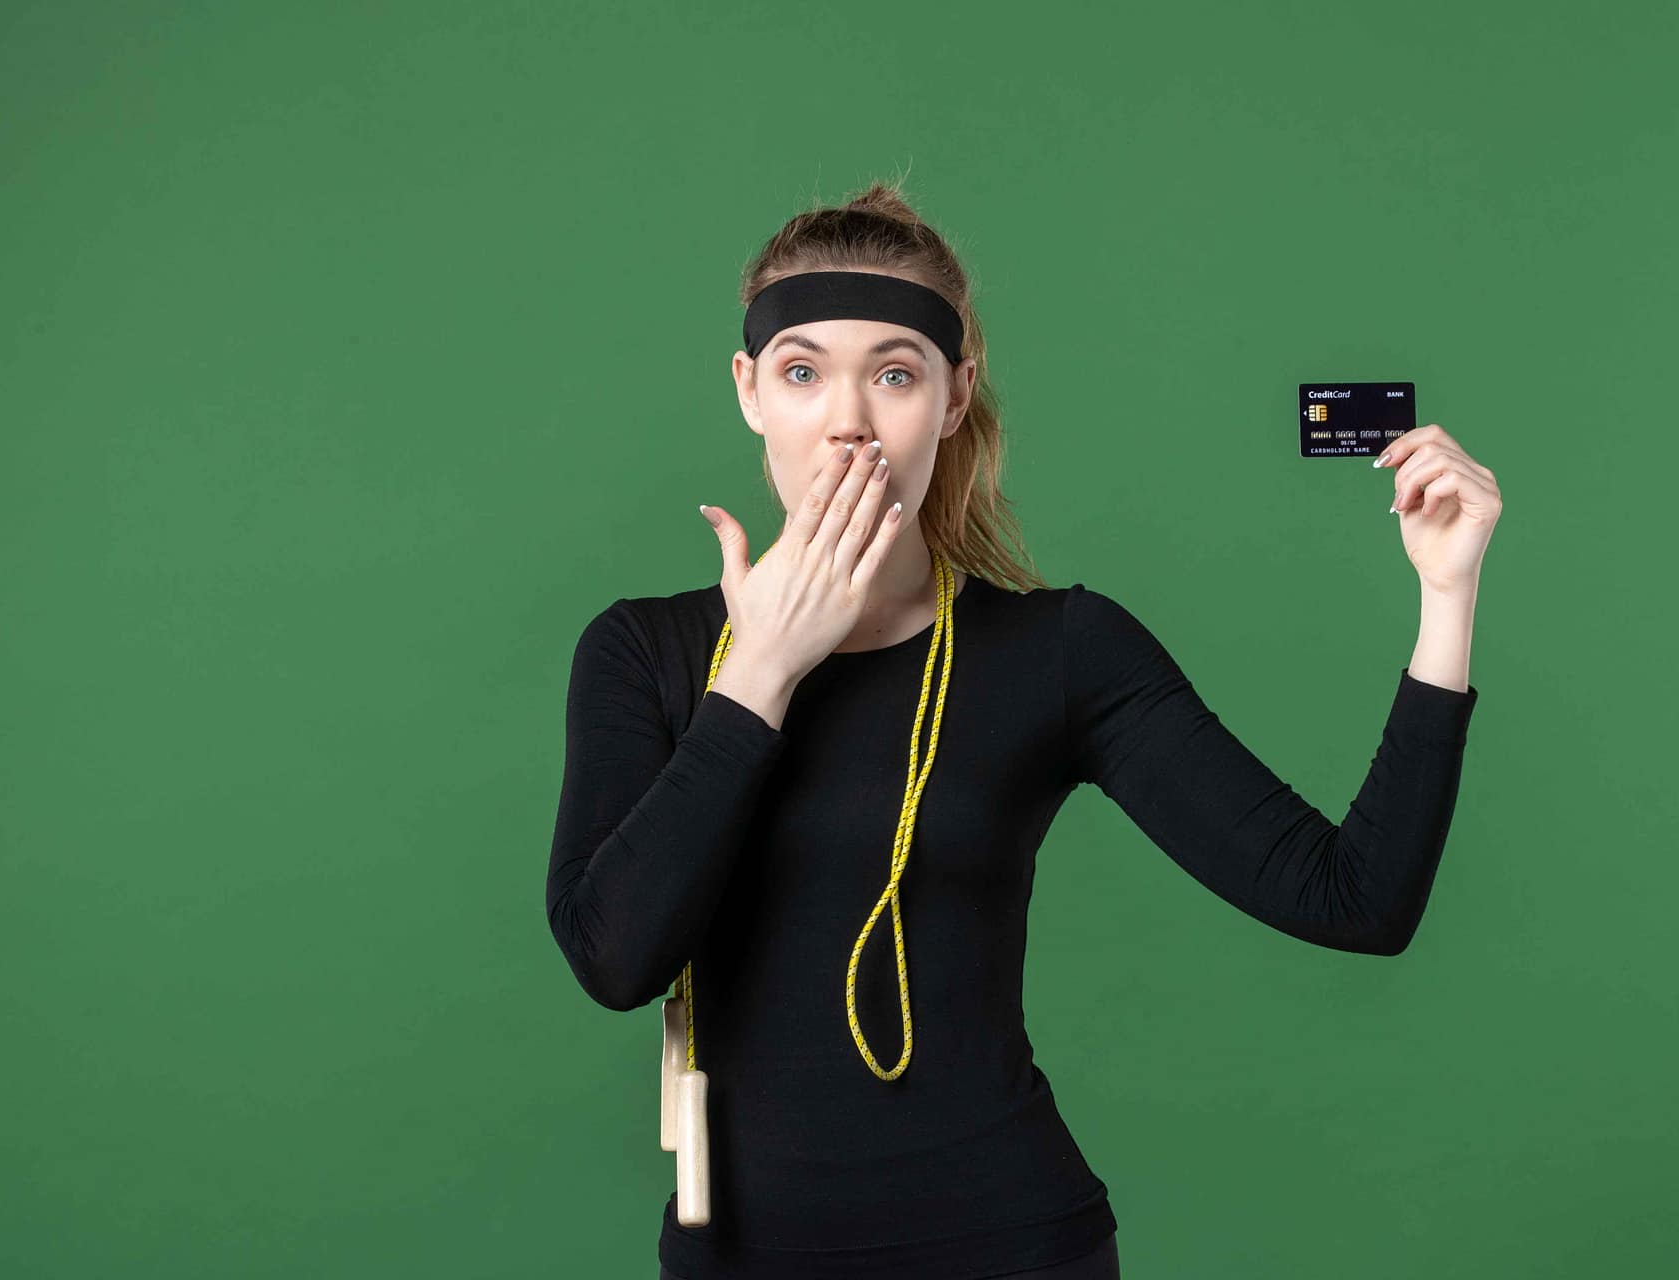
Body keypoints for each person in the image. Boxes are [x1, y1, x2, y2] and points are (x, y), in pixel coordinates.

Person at [546, 179, 1501, 1280]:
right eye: (804, 371)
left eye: (894, 373)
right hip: (742, 1254)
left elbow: (1358, 899)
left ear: (953, 399)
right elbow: (614, 956)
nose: (847, 419)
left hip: (1011, 1244)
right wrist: (758, 674)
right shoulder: (644, 652)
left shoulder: (1061, 652)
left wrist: (1447, 597)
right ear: (751, 391)